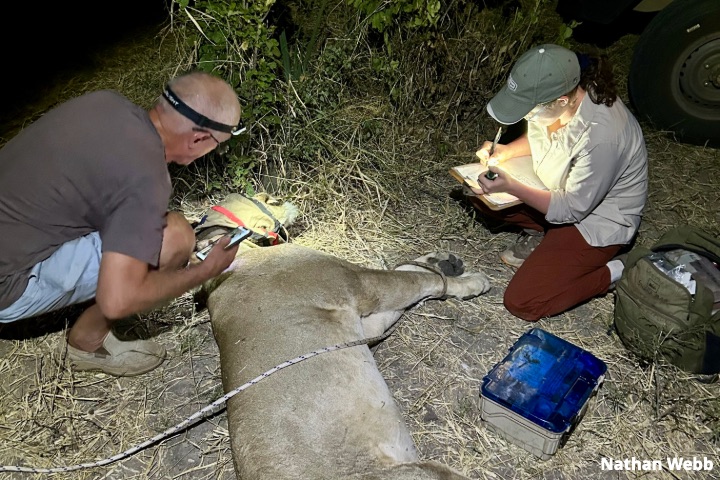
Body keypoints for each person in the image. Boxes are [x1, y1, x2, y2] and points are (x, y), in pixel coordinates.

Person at [0, 71, 244, 376]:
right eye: (219, 145)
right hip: (7, 287)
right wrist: (205, 270)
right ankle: (88, 343)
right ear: (198, 138)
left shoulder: (105, 102)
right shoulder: (147, 178)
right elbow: (118, 300)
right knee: (175, 238)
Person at [469, 44, 648, 321]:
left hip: (595, 222)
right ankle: (547, 238)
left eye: (529, 112)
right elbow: (543, 134)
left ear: (562, 101)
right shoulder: (559, 100)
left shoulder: (602, 137)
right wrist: (505, 151)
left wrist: (512, 187)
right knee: (476, 193)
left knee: (523, 301)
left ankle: (614, 270)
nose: (527, 117)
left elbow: (573, 209)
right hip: (556, 187)